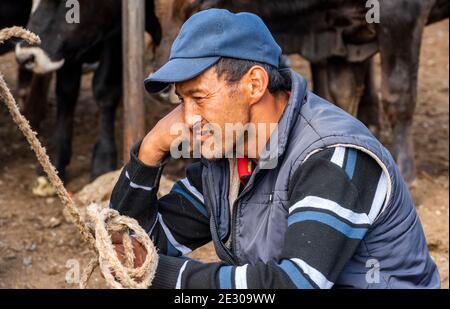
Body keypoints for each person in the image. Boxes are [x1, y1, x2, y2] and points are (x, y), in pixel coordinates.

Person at [110, 9, 439, 288]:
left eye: (199, 98)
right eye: (182, 102)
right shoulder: (226, 158)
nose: (188, 118)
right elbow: (136, 244)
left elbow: (296, 283)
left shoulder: (331, 154)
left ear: (254, 84)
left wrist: (158, 273)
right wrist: (150, 150)